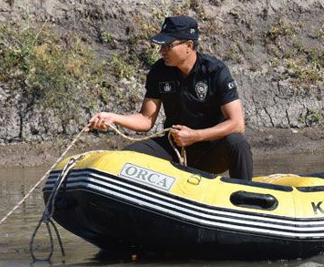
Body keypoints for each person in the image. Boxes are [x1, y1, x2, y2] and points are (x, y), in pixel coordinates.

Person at [88, 15, 254, 180]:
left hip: (209, 151)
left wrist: (195, 136)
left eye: (168, 46)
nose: (162, 51)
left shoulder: (215, 71)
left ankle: (246, 195)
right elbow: (146, 120)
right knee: (129, 156)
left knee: (237, 142)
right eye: (161, 46)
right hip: (174, 148)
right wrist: (113, 118)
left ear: (189, 45)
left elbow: (237, 124)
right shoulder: (159, 71)